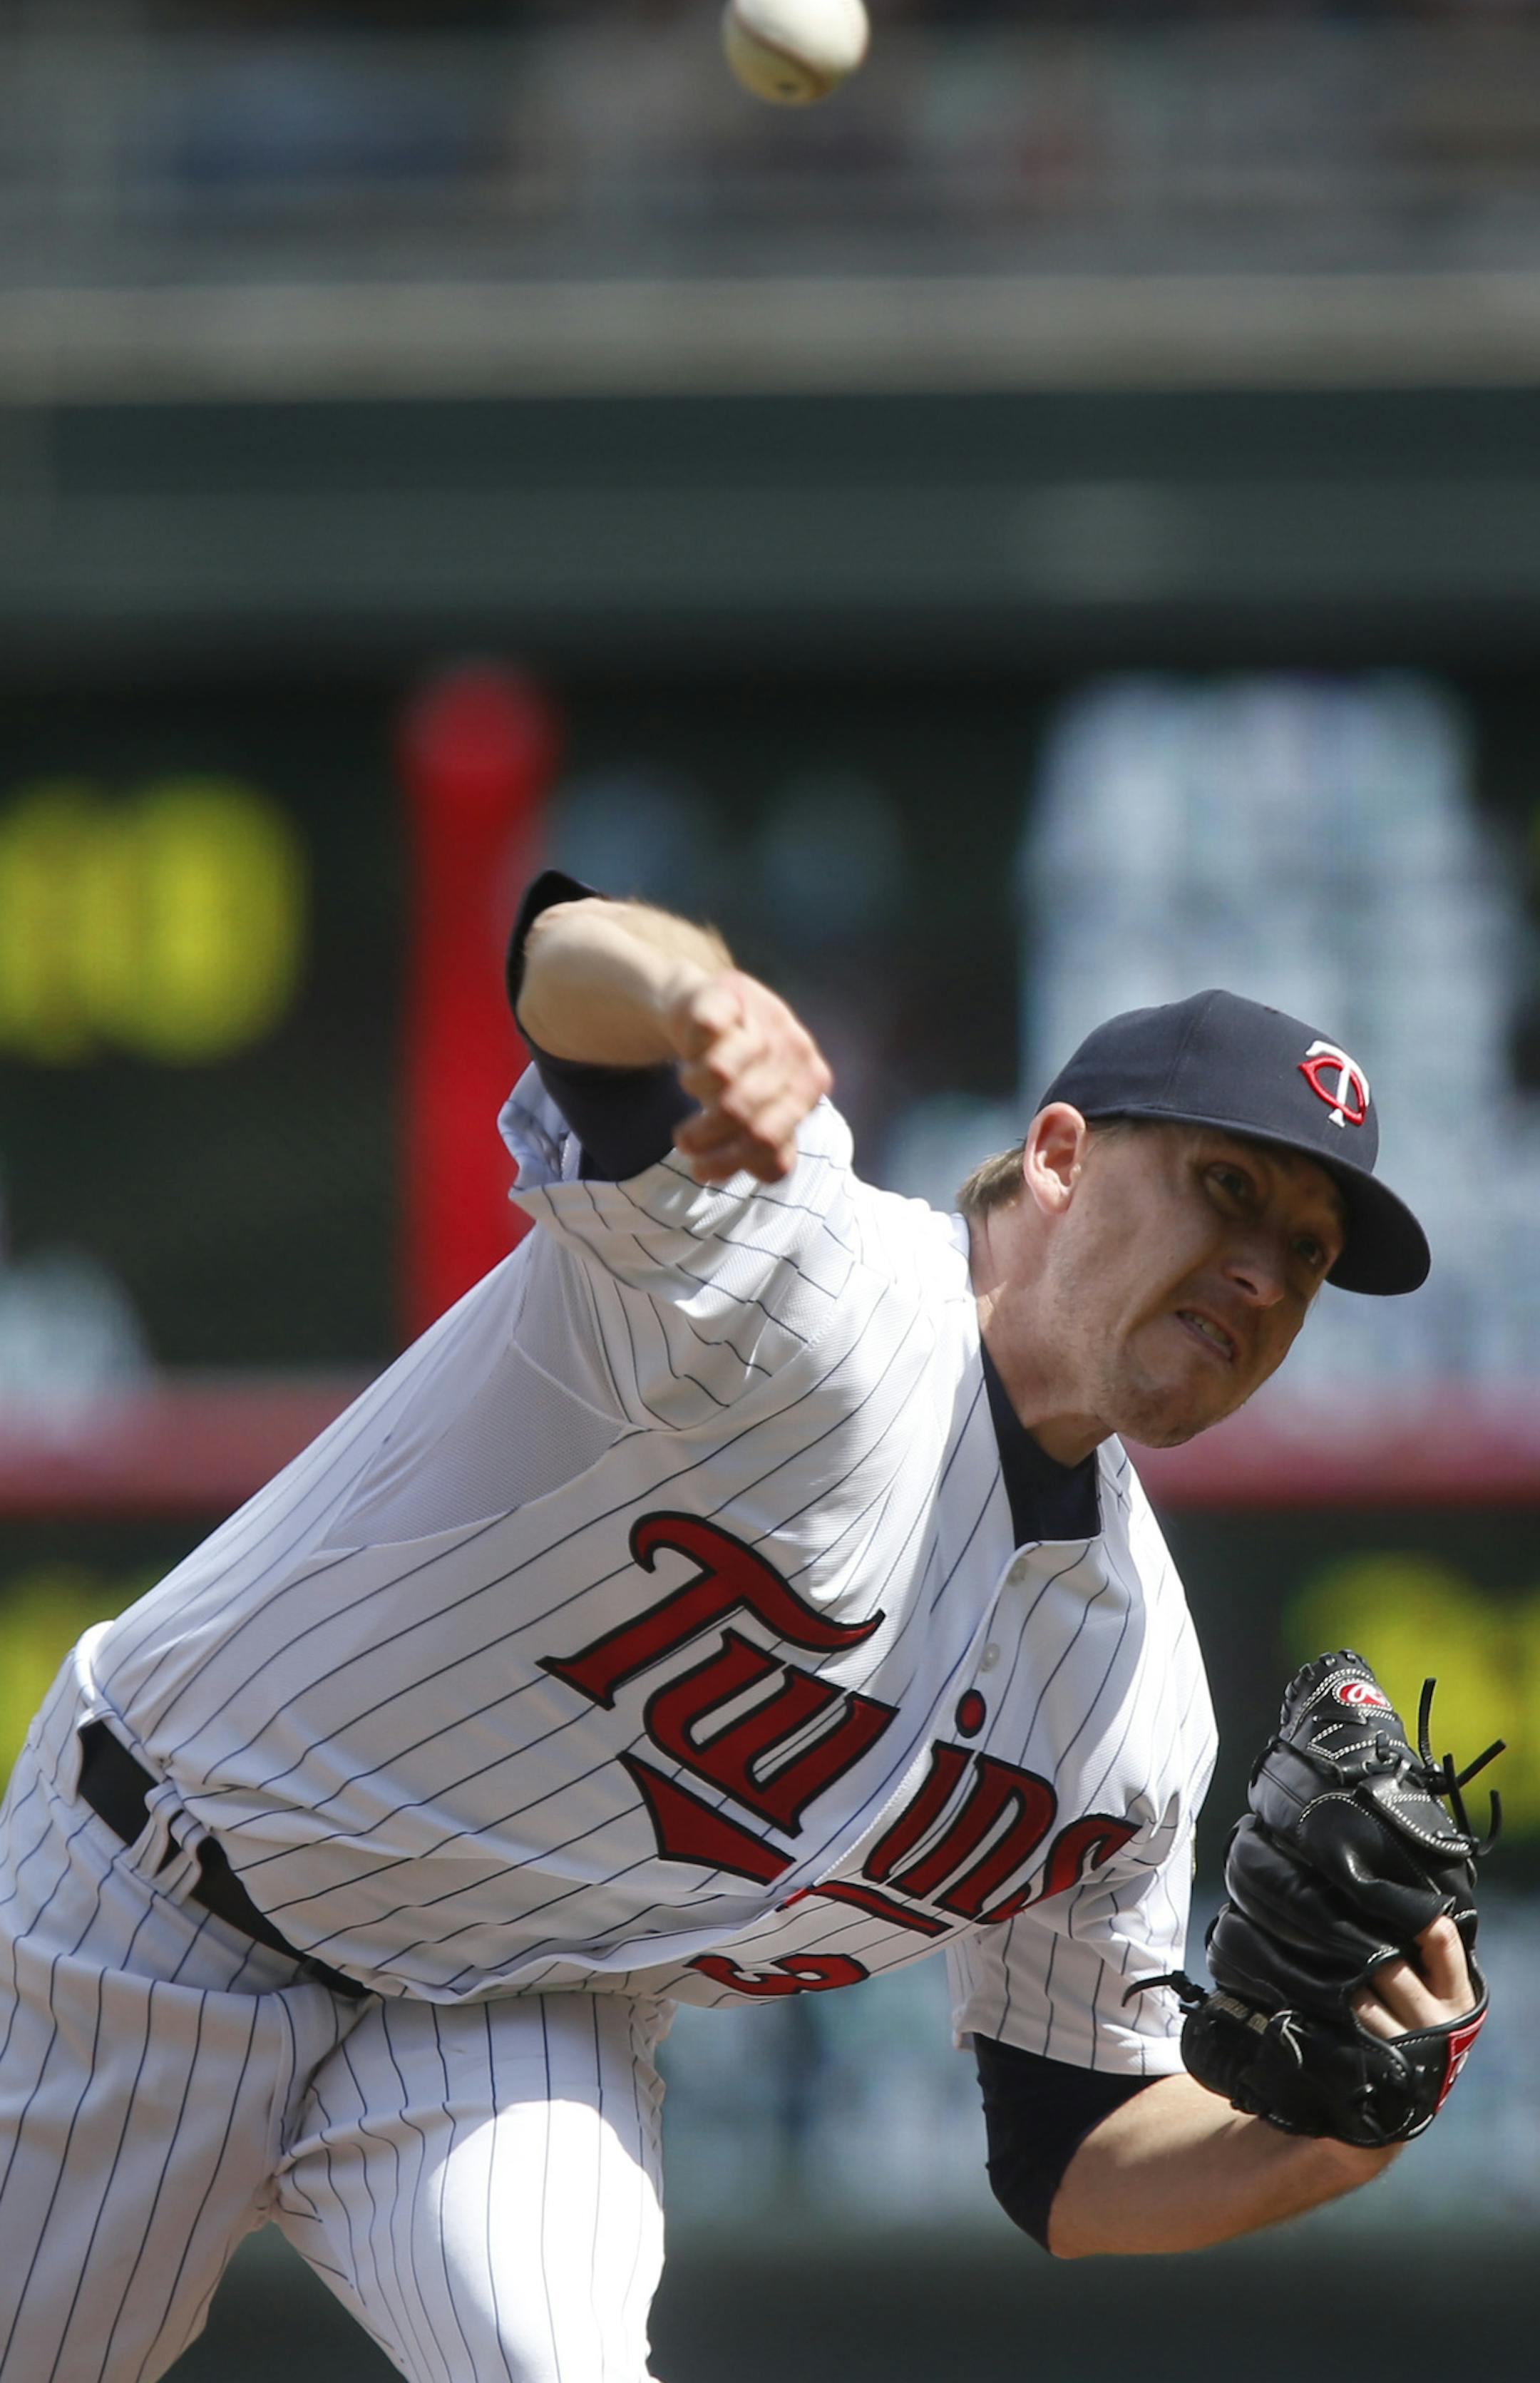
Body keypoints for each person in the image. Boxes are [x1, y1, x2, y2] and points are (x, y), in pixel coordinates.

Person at [0, 871, 1474, 2382]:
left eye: (1305, 1254)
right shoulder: (805, 1275)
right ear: (1058, 1156)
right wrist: (695, 989)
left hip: (512, 2007)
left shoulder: (1128, 1698)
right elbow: (564, 974)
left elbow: (1073, 2149)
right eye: (1229, 1188)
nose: (1260, 1273)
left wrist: (1336, 2137)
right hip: (162, 1900)